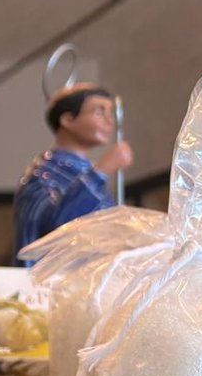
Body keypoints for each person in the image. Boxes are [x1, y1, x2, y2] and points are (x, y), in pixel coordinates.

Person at [12, 84, 133, 260]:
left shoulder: (82, 172)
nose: (109, 121)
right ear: (68, 120)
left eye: (110, 113)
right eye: (99, 112)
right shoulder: (43, 175)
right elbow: (59, 230)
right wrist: (101, 170)